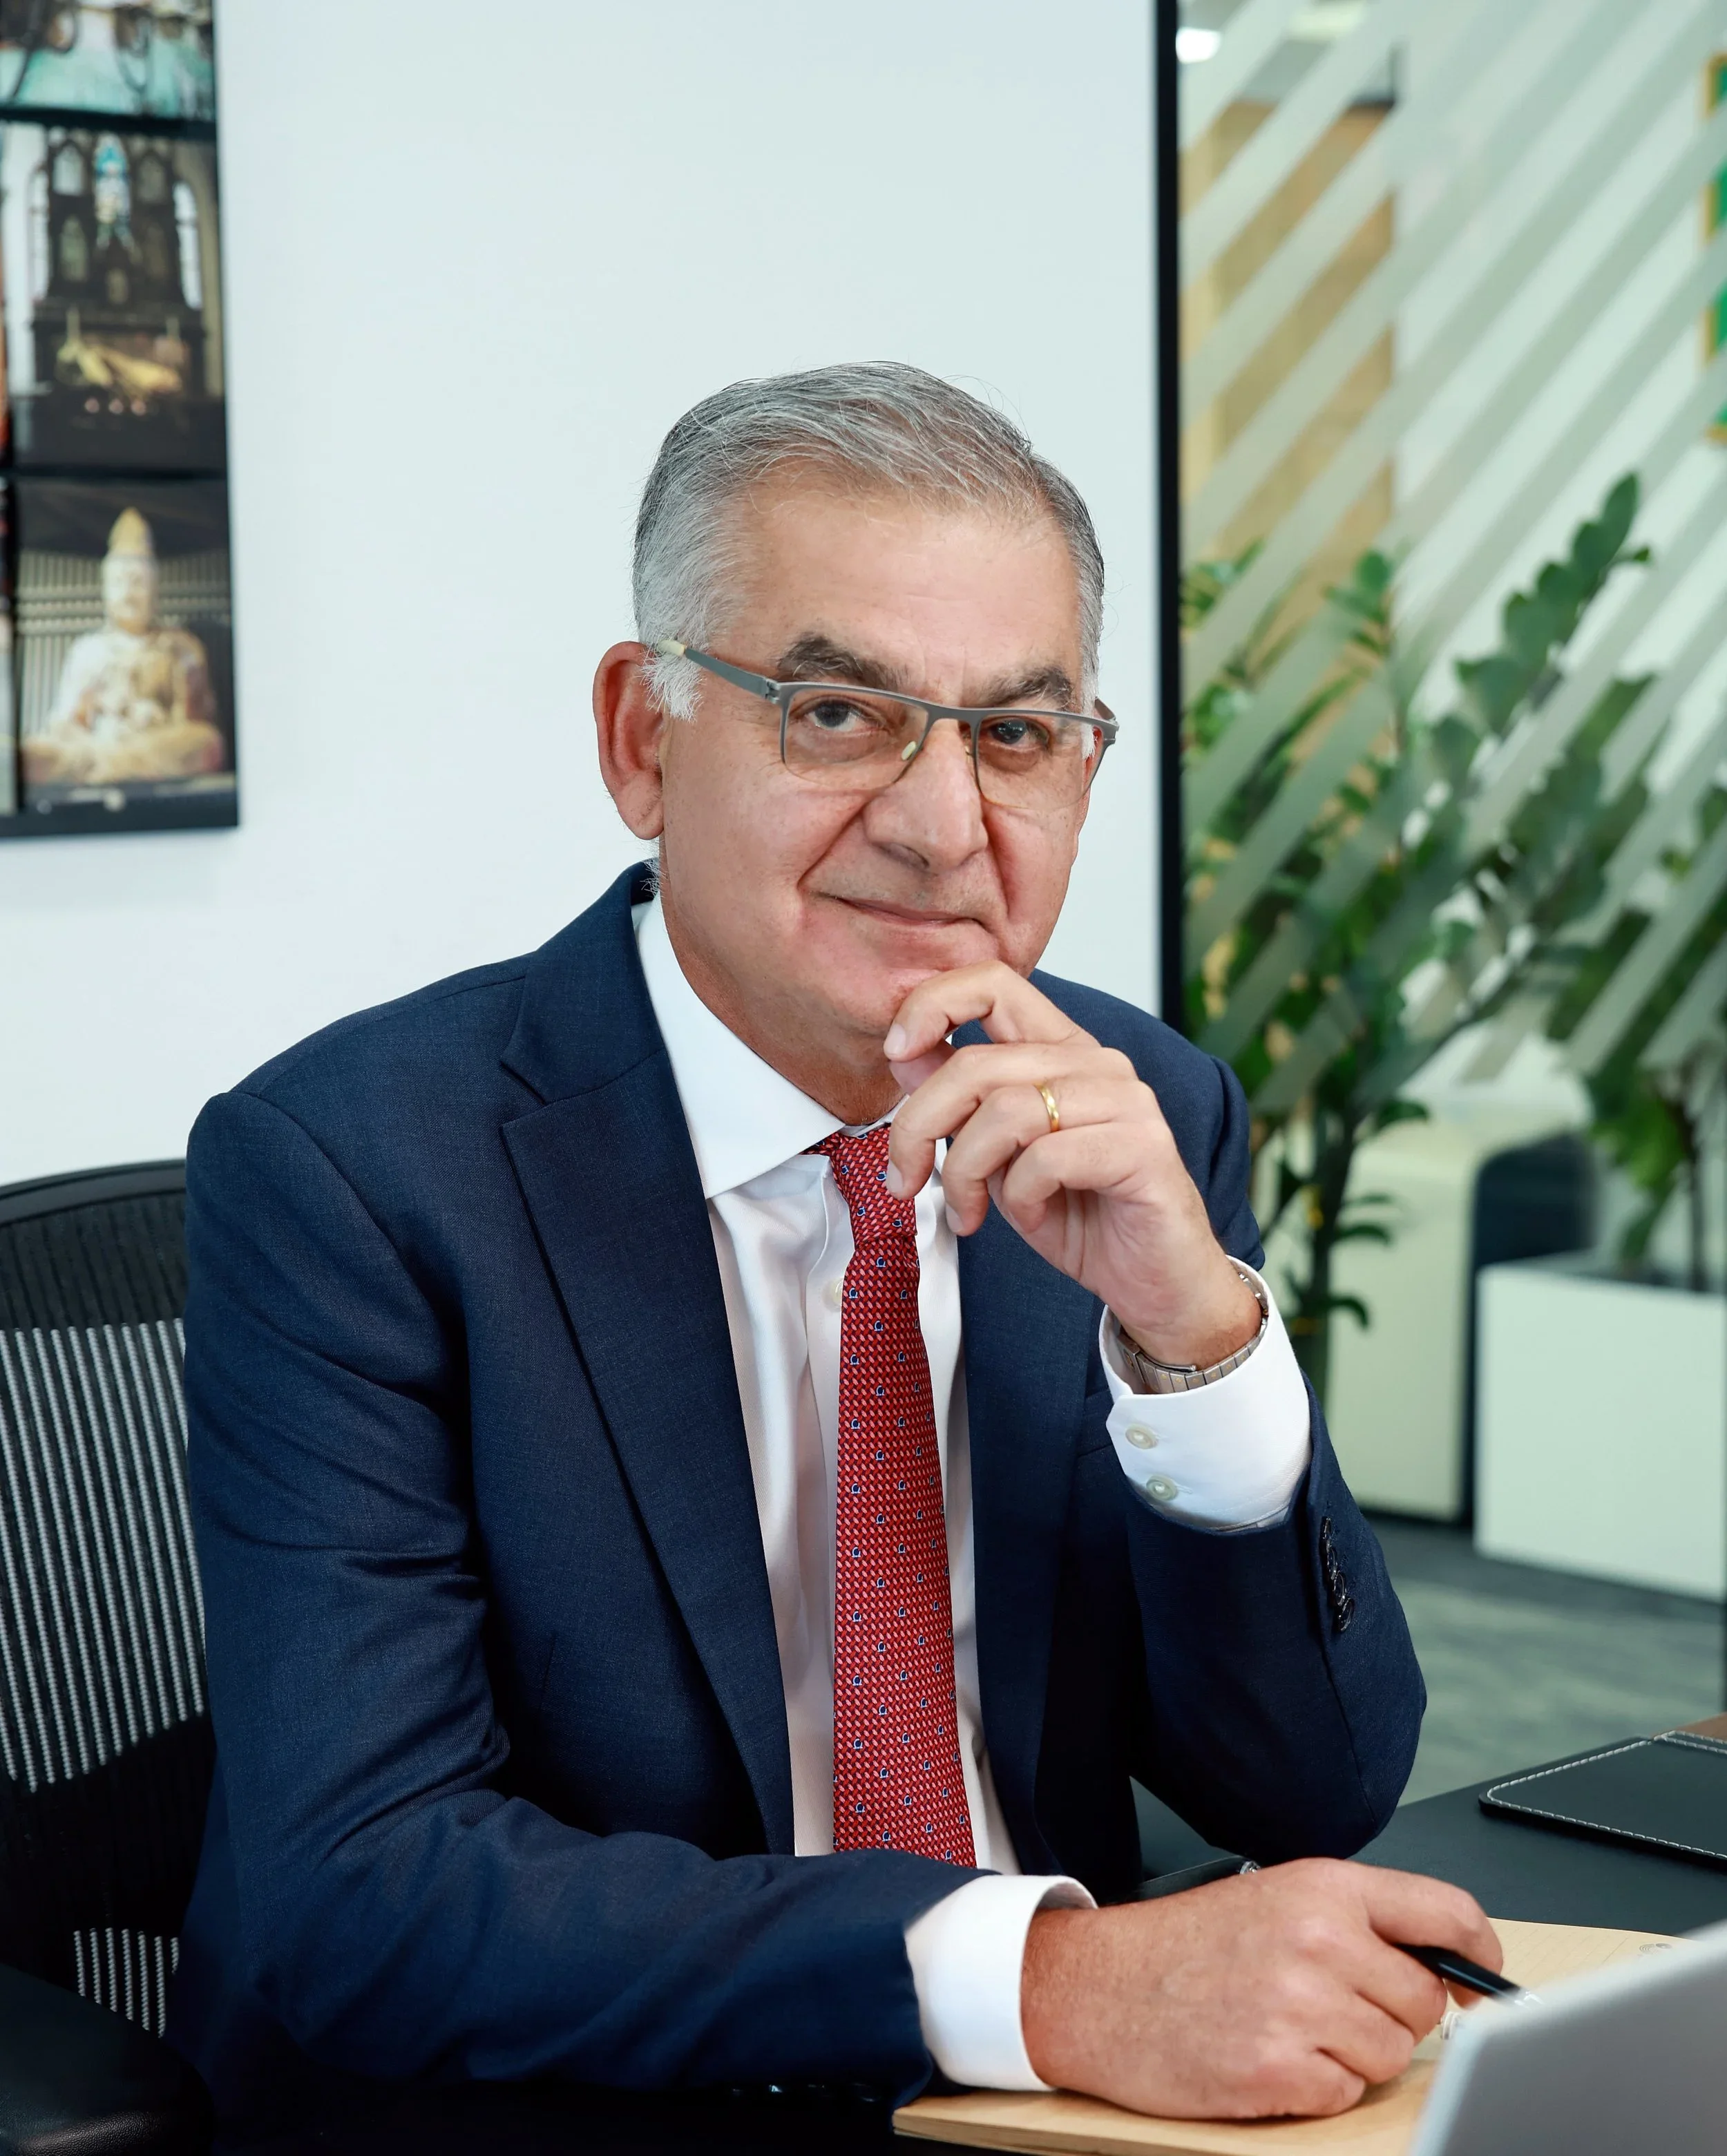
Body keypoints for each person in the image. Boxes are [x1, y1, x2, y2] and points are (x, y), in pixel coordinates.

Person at [169, 363, 1499, 2130]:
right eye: (837, 712)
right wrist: (1034, 1974)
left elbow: (1311, 1780)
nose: (947, 820)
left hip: (1071, 2118)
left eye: (1017, 735)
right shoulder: (352, 1167)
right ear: (645, 741)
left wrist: (1196, 1338)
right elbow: (367, 1890)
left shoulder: (1136, 1106)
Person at [21, 506, 223, 790]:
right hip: (98, 744)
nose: (128, 594)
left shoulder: (181, 647)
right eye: (118, 582)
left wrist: (149, 713)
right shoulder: (88, 650)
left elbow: (194, 721)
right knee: (32, 752)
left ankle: (108, 769)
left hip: (150, 744)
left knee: (205, 743)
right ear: (104, 589)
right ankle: (117, 767)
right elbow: (65, 724)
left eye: (138, 582)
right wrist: (101, 710)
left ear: (155, 588)